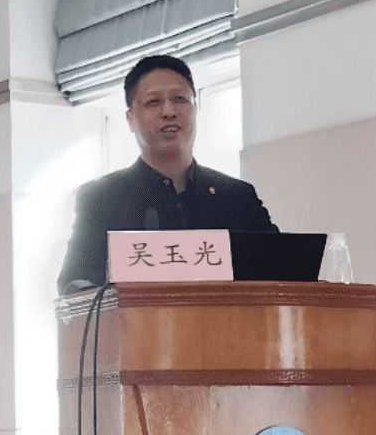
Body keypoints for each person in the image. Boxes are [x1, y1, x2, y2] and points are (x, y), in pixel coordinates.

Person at [57, 55, 279, 295]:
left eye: (180, 99)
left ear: (195, 109)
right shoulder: (102, 198)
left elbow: (284, 269)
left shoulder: (237, 197)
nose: (169, 111)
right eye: (153, 102)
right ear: (131, 119)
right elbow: (74, 285)